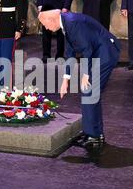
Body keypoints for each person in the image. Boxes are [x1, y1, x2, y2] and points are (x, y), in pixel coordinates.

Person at [38, 9, 120, 149]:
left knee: (89, 93)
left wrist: (86, 75)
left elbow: (87, 49)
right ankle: (92, 133)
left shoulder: (72, 23)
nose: (45, 28)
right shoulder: (65, 22)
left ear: (51, 20)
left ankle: (94, 136)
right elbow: (70, 52)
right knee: (90, 93)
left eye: (45, 24)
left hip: (105, 53)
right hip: (97, 52)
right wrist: (66, 79)